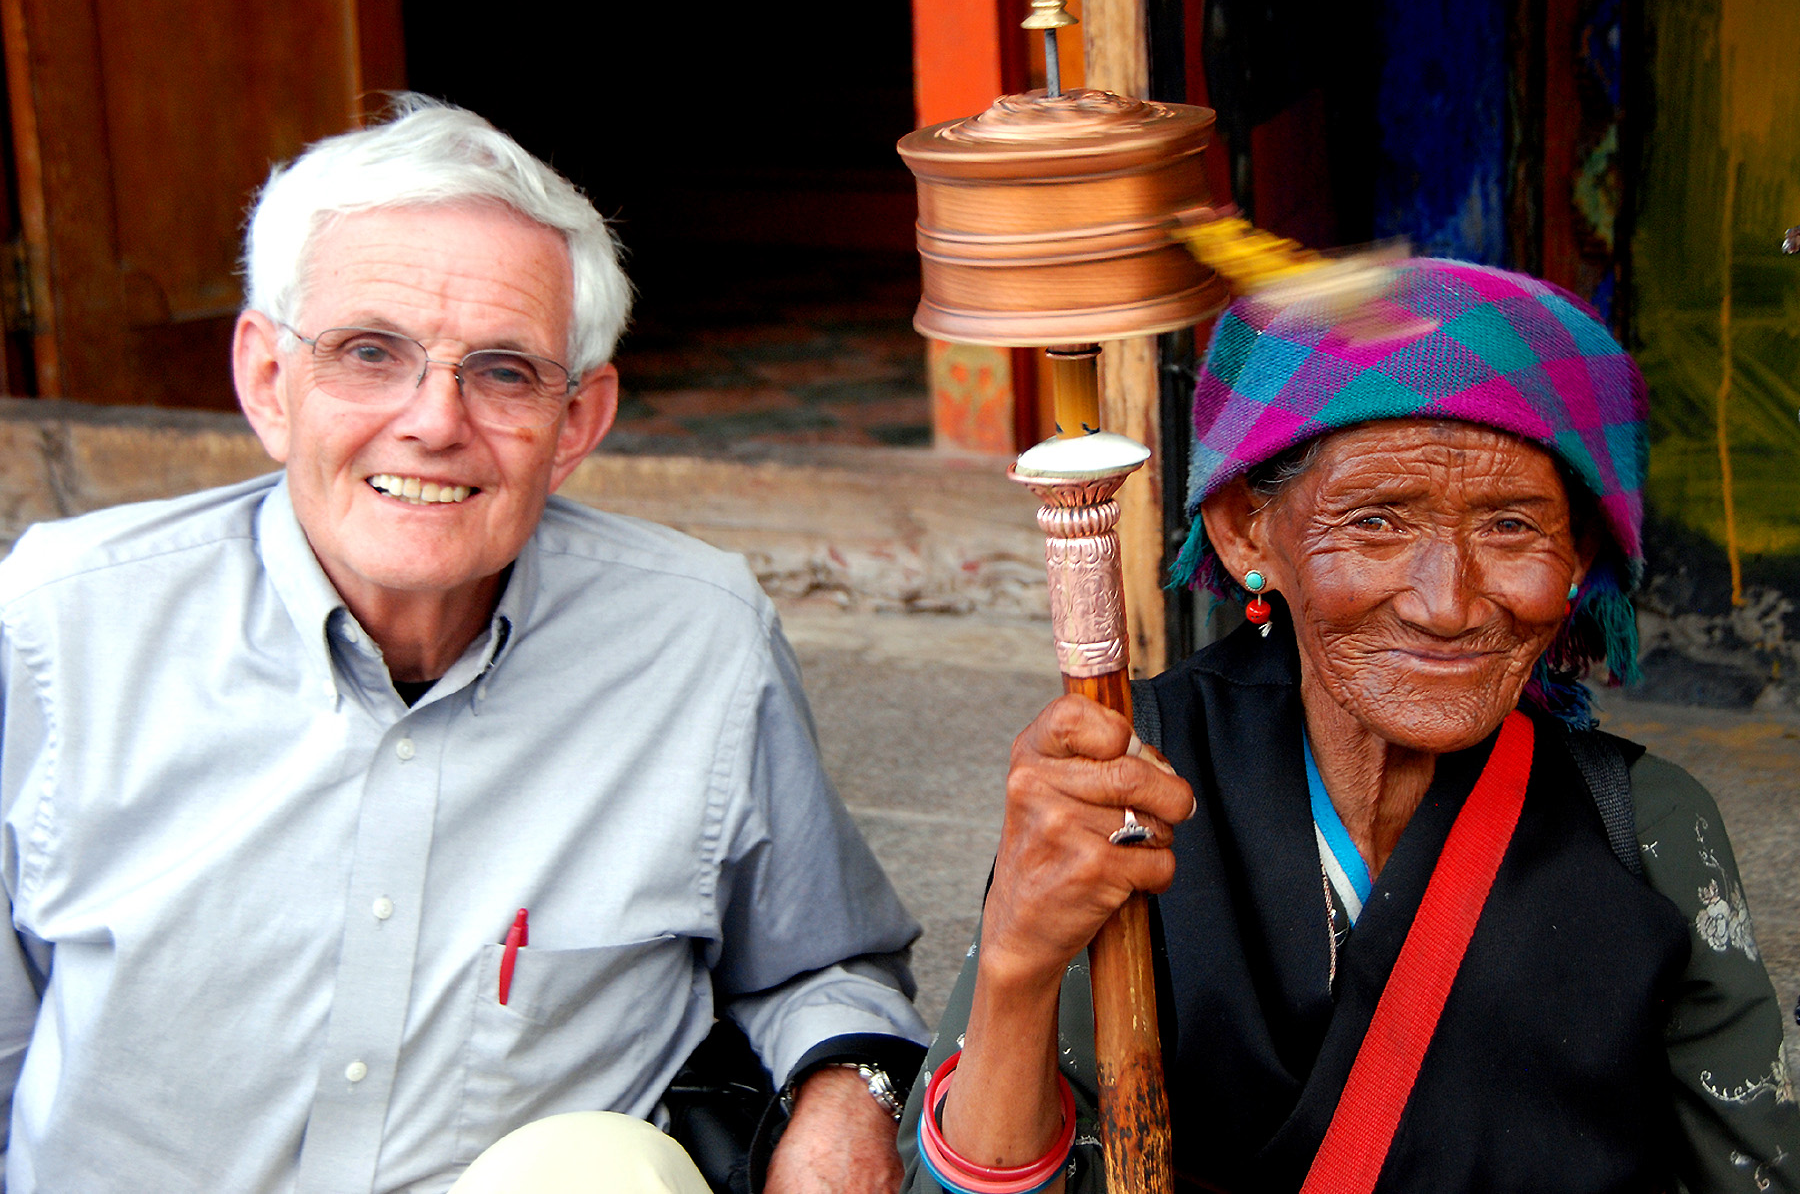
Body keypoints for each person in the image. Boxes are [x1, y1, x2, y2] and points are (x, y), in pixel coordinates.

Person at [0, 96, 929, 1193]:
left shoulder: (697, 641)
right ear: (266, 380)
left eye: (501, 372)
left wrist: (845, 1104)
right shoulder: (58, 625)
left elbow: (824, 959)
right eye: (368, 352)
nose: (435, 421)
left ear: (577, 421)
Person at [902, 259, 1800, 1192]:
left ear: (1579, 554)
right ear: (1246, 531)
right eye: (1376, 522)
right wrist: (1016, 959)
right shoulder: (1128, 785)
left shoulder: (1645, 832)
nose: (1448, 603)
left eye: (1511, 526)